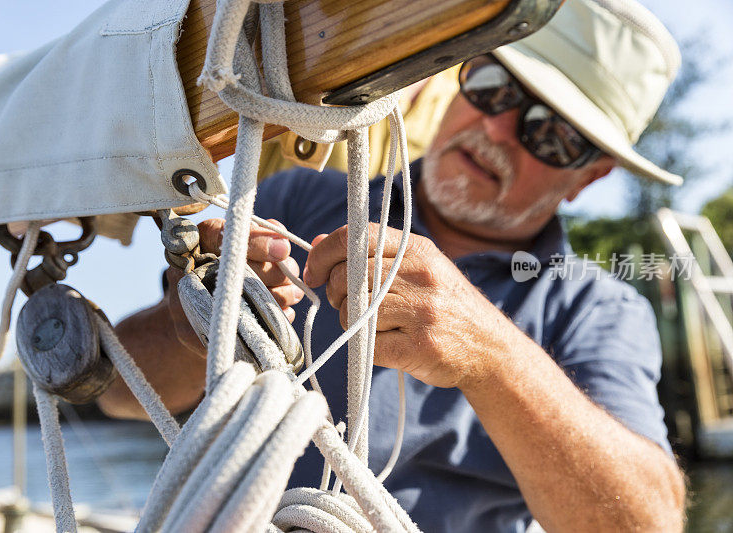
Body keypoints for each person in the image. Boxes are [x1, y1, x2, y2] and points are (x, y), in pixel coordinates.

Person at [98, 0, 687, 530]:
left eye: (551, 134)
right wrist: (198, 322)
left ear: (591, 176)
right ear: (460, 81)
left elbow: (649, 523)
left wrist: (490, 356)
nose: (498, 129)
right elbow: (120, 395)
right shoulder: (295, 203)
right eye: (492, 88)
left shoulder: (597, 309)